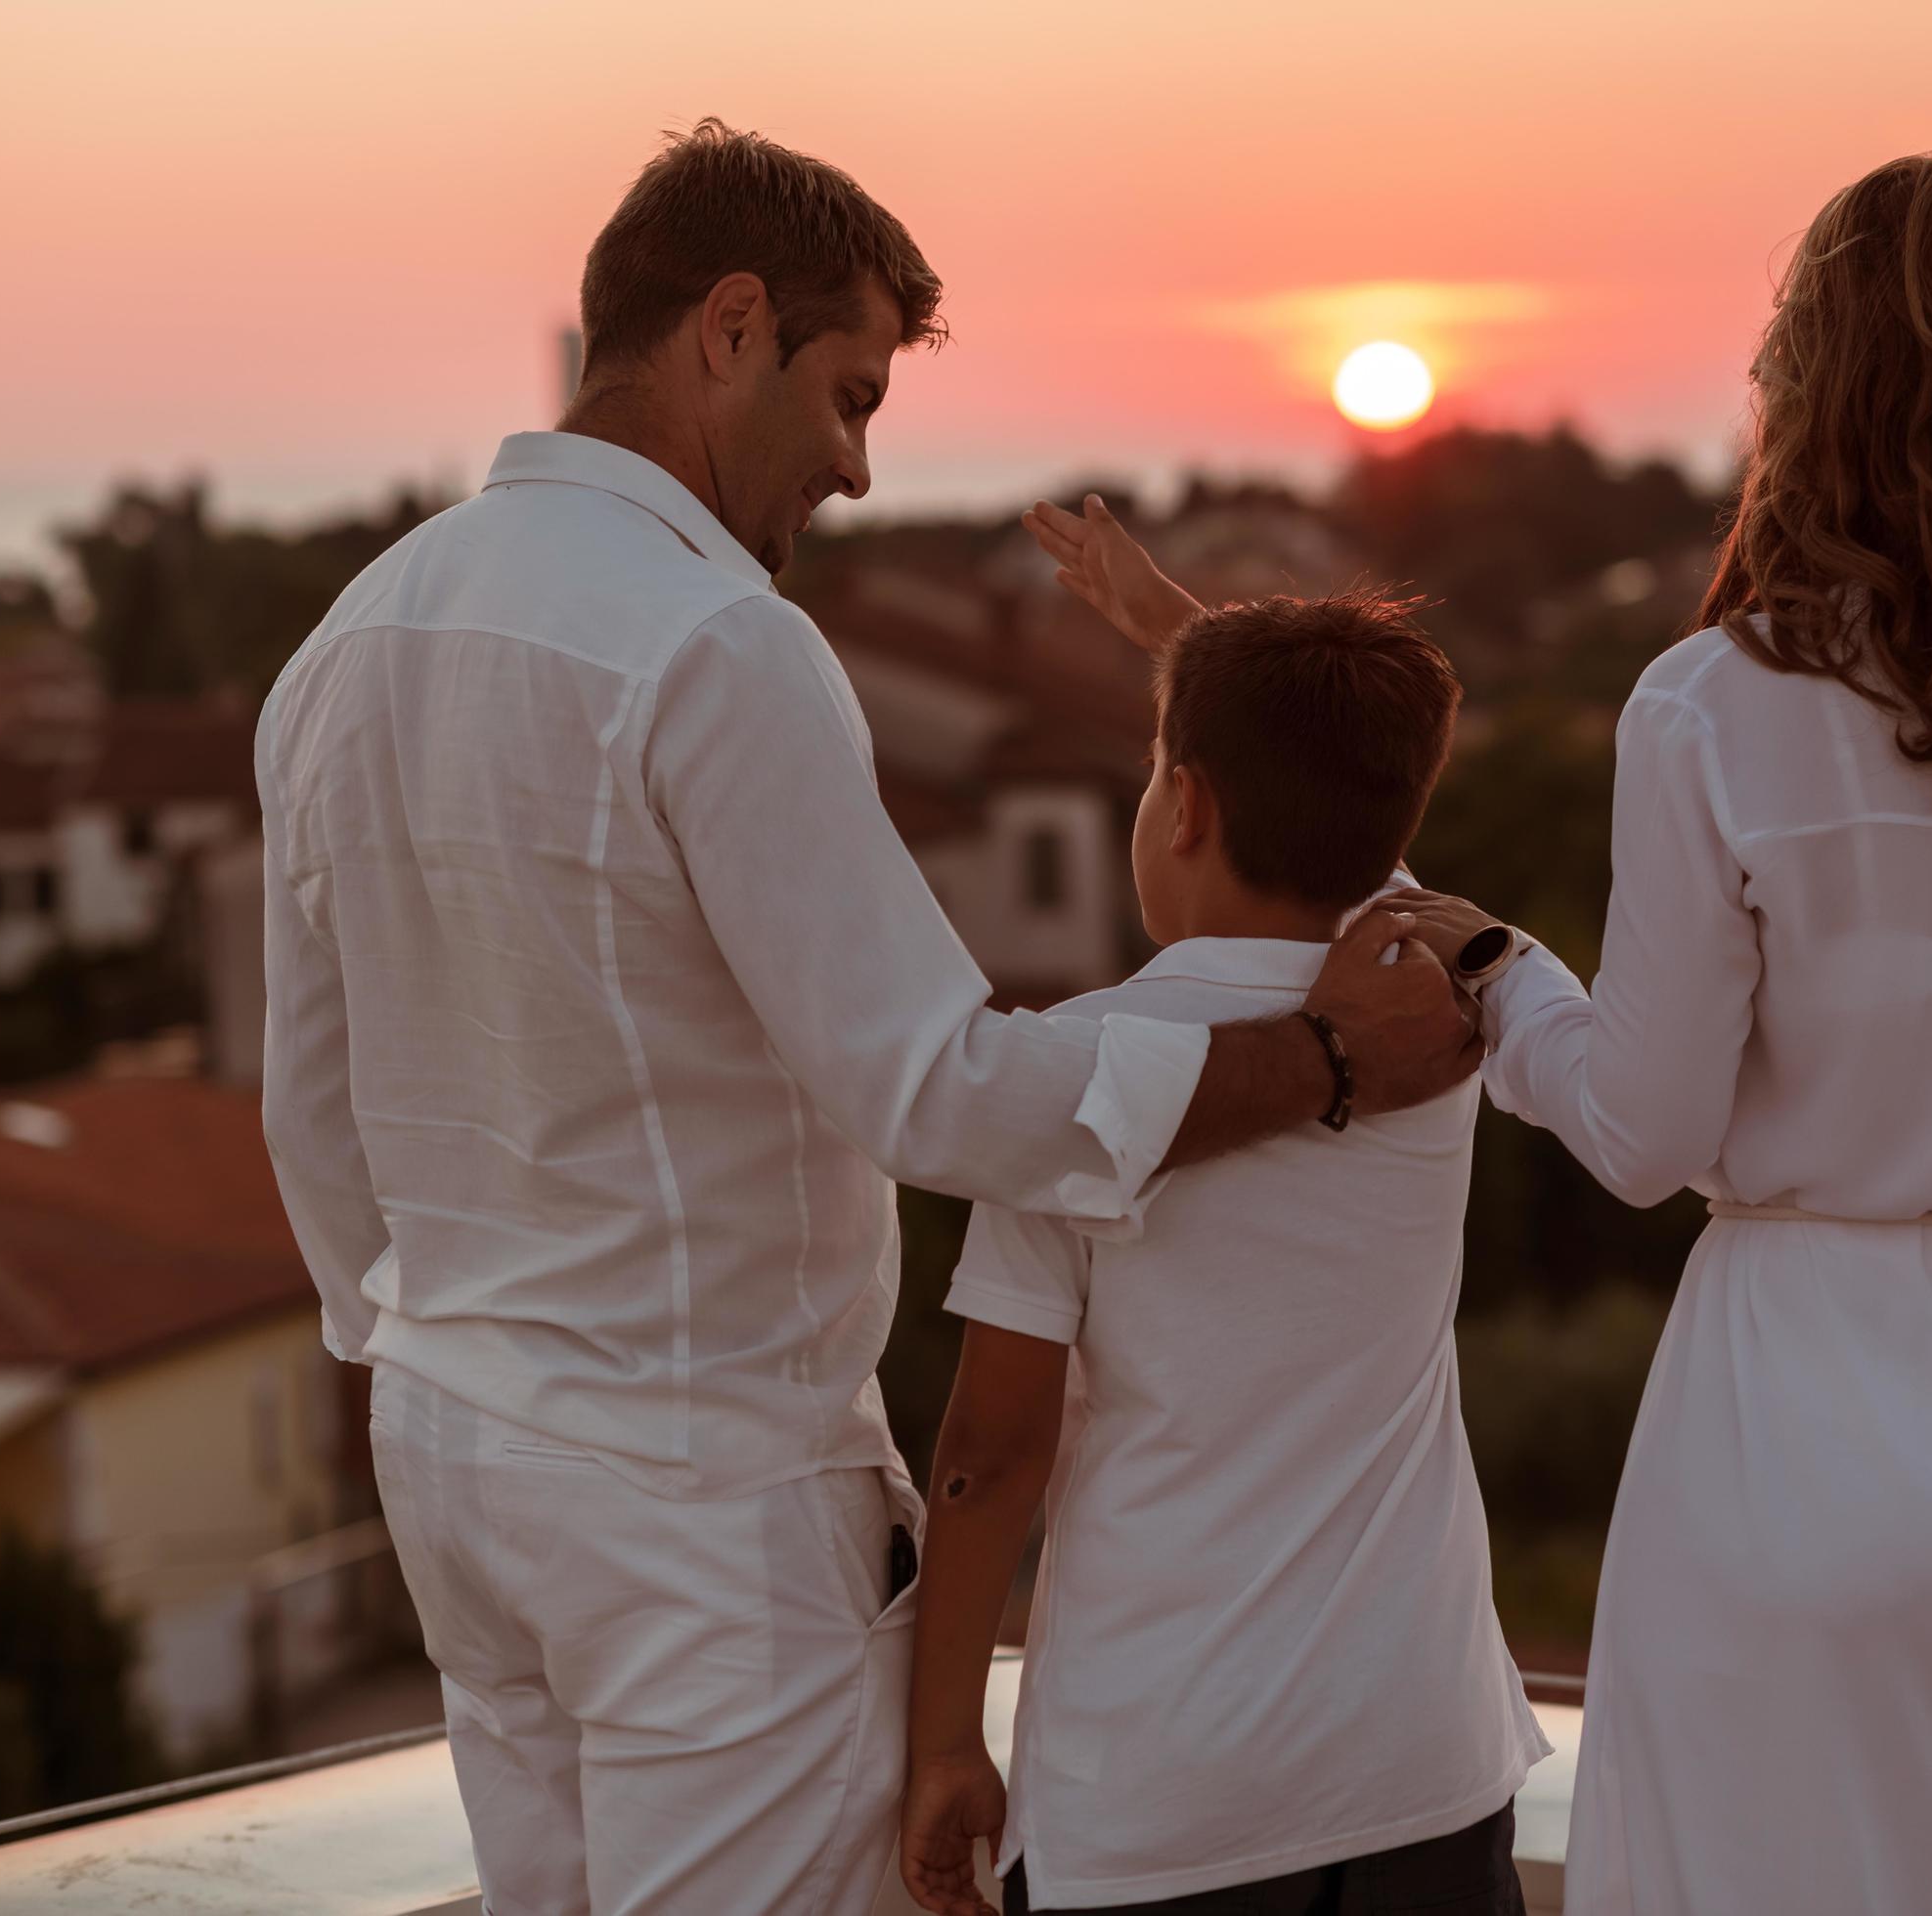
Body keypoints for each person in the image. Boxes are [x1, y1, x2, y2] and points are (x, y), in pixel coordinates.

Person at [1033, 145, 1932, 1914]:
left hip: (1801, 1411)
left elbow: (1642, 1132)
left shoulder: (1721, 705)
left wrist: (1497, 968)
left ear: (1817, 376)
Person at [255, 120, 1482, 1916]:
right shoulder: (715, 646)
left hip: (453, 1465)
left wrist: (434, 1357)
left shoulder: (346, 640)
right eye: (846, 398)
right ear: (728, 325)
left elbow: (312, 1104)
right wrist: (1321, 1061)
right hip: (693, 1501)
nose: (849, 468)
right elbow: (945, 1092)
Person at [897, 593, 1549, 1916]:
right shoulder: (1437, 1024)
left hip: (1164, 1796)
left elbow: (991, 1457)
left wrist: (946, 1743)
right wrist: (1180, 628)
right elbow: (1365, 808)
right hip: (1425, 1758)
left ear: (1183, 804)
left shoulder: (1076, 1070)